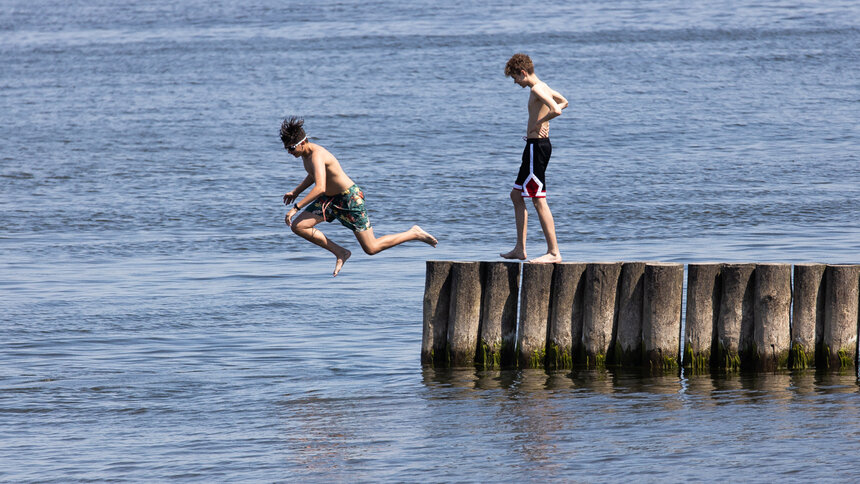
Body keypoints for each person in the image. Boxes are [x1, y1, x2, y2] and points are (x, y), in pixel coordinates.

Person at [280, 117, 437, 277]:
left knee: (371, 248)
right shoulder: (306, 156)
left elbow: (320, 187)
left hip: (349, 199)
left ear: (303, 142)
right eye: (287, 149)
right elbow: (314, 175)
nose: (289, 152)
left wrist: (295, 208)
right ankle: (341, 253)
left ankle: (414, 233)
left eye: (291, 148)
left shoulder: (317, 155)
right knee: (298, 226)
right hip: (329, 200)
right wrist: (296, 192)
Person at [501, 53, 568, 263]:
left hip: (536, 148)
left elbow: (557, 109)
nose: (515, 82)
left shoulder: (537, 88)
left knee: (538, 199)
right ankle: (520, 249)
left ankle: (554, 252)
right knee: (516, 195)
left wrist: (540, 123)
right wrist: (542, 120)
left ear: (523, 73)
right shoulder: (544, 86)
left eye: (515, 78)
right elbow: (565, 101)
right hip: (533, 147)